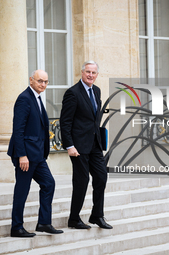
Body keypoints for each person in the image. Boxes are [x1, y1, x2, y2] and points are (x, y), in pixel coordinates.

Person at [8, 70, 63, 237]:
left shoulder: (37, 98)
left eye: (46, 82)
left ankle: (44, 223)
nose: (43, 85)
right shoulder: (24, 98)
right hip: (26, 155)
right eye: (40, 81)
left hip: (38, 156)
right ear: (31, 80)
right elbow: (18, 130)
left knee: (49, 184)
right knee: (22, 191)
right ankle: (16, 227)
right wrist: (22, 155)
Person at [60, 61, 113, 230]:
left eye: (94, 73)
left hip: (95, 145)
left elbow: (94, 119)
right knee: (81, 182)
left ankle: (97, 215)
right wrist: (69, 145)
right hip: (79, 147)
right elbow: (65, 122)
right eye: (88, 72)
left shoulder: (96, 91)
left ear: (97, 75)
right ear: (82, 73)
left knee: (101, 177)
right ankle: (74, 219)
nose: (91, 75)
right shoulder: (72, 93)